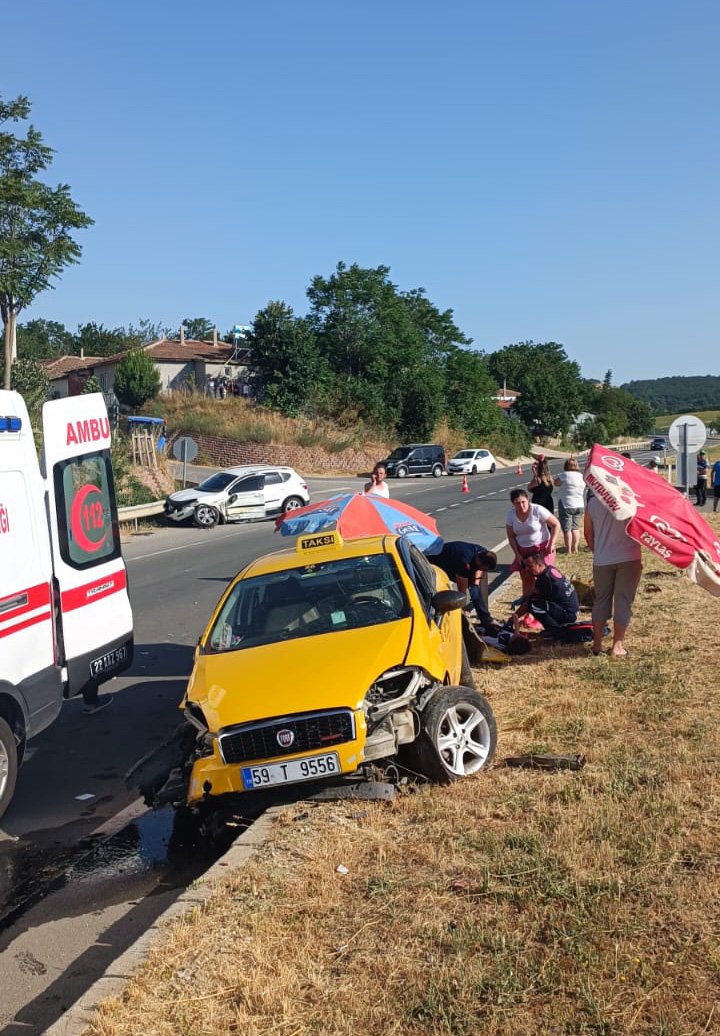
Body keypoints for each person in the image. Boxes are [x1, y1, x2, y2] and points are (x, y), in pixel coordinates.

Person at [584, 494, 642, 657]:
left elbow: (588, 534)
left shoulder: (593, 503)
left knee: (601, 600)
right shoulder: (629, 499)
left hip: (602, 559)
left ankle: (597, 644)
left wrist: (599, 552)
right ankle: (617, 646)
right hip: (629, 556)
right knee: (623, 600)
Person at [426, 541, 498, 631]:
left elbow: (479, 572)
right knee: (444, 591)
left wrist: (475, 582)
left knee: (474, 589)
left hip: (456, 560)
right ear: (480, 562)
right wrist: (462, 609)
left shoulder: (483, 552)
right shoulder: (464, 563)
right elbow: (461, 592)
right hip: (436, 562)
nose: (483, 570)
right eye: (483, 568)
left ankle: (486, 619)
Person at [506, 488, 561, 596]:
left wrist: (552, 543)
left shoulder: (537, 510)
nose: (521, 506)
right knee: (527, 579)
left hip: (542, 548)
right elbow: (511, 536)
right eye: (517, 503)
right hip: (524, 551)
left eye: (523, 502)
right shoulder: (511, 515)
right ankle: (528, 605)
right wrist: (517, 554)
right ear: (513, 504)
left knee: (543, 577)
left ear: (528, 499)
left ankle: (547, 602)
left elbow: (555, 524)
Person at [512, 553, 579, 632]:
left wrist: (512, 619)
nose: (526, 569)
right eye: (525, 566)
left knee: (533, 605)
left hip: (568, 615)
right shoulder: (550, 569)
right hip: (572, 611)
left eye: (529, 566)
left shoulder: (545, 581)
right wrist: (523, 597)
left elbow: (528, 603)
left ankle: (554, 631)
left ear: (539, 565)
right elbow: (533, 591)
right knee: (536, 603)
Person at [553, 456, 585, 554]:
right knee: (575, 528)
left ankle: (568, 550)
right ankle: (575, 548)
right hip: (579, 504)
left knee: (567, 528)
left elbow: (556, 483)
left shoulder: (564, 475)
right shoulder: (581, 476)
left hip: (566, 503)